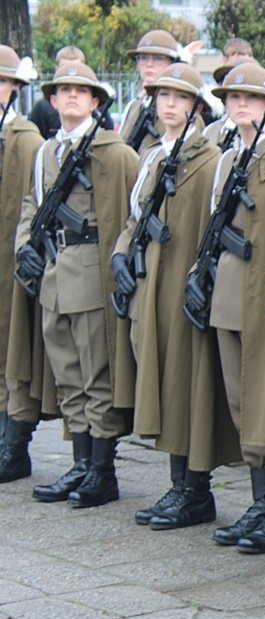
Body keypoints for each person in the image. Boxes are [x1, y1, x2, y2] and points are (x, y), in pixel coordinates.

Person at [186, 61, 265, 553]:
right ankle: (261, 504)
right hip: (229, 291)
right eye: (233, 97)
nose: (240, 104)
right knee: (241, 401)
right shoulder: (228, 158)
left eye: (251, 97)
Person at [15, 63, 139, 508]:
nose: (71, 96)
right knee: (68, 375)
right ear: (51, 100)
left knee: (96, 373)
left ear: (95, 101)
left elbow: (132, 209)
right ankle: (81, 463)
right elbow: (32, 204)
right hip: (54, 271)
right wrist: (24, 245)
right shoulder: (47, 152)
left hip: (90, 272)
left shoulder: (114, 152)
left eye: (80, 91)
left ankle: (102, 472)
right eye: (63, 89)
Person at [109, 64, 221, 529]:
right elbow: (135, 216)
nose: (169, 105)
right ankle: (179, 485)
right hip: (150, 279)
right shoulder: (155, 154)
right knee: (161, 376)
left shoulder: (209, 159)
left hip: (181, 282)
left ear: (197, 106)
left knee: (184, 381)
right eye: (162, 96)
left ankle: (194, 490)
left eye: (180, 97)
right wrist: (120, 254)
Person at [0, 45, 47, 483]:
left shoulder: (26, 138)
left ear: (14, 88)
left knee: (14, 349)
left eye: (2, 80)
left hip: (11, 258)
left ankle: (13, 445)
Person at [28, 46, 114, 139]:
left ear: (94, 103)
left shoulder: (99, 110)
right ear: (54, 100)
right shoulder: (43, 107)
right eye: (65, 89)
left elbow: (108, 136)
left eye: (82, 91)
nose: (73, 94)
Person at [121, 30, 185, 151]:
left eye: (159, 58)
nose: (149, 64)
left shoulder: (183, 107)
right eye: (143, 58)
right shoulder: (134, 105)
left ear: (173, 63)